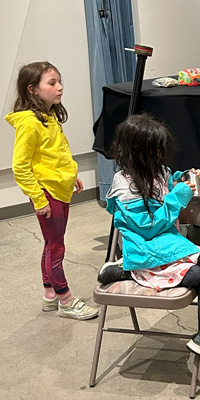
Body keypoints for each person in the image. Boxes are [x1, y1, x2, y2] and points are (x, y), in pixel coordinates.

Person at [100, 113, 200, 364]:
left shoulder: (157, 170)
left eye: (160, 150)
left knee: (198, 276)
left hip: (164, 247)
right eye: (154, 150)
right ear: (136, 151)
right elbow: (149, 228)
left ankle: (126, 270)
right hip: (147, 248)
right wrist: (178, 196)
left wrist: (185, 177)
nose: (159, 155)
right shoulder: (125, 185)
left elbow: (167, 180)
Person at [5, 61, 98, 320]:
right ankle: (66, 301)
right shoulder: (29, 123)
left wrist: (70, 176)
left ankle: (49, 296)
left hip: (59, 187)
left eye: (59, 81)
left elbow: (55, 153)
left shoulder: (48, 116)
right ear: (32, 89)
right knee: (57, 248)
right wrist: (38, 199)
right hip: (47, 194)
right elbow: (20, 166)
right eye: (52, 83)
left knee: (51, 244)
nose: (60, 88)